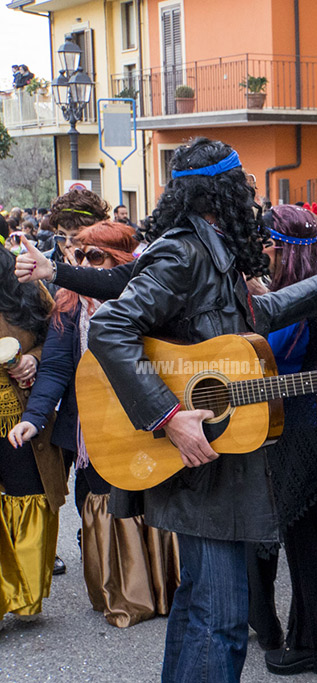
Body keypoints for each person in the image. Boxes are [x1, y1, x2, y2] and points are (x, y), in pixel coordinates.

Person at [85, 138, 317, 682]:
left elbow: (252, 318)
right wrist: (167, 415)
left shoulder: (214, 250)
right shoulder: (184, 252)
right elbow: (112, 329)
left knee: (202, 606)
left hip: (214, 454)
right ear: (222, 190)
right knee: (223, 617)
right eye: (243, 185)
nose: (250, 196)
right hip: (193, 450)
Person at [9, 221, 180, 629]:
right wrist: (34, 418)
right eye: (78, 255)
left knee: (147, 494)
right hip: (90, 428)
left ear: (120, 261)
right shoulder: (67, 306)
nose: (82, 263)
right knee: (100, 499)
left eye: (94, 256)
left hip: (146, 419)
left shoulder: (146, 302)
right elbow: (54, 367)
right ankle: (119, 595)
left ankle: (165, 590)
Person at [245, 204, 317, 675]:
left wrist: (253, 308)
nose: (262, 253)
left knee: (306, 537)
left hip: (297, 430)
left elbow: (271, 355)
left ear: (280, 249)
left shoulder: (296, 301)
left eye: (268, 245)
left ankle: (310, 644)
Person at [0, 247, 65, 626]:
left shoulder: (28, 288)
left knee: (29, 497)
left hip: (21, 414)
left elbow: (57, 342)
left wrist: (33, 359)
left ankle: (23, 592)